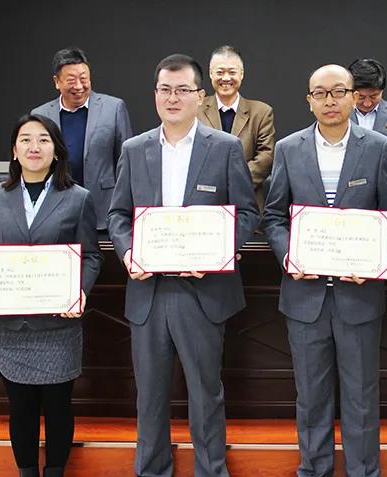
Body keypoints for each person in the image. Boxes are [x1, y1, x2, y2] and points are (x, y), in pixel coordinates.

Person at [106, 54, 259, 477]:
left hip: (203, 292)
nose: (172, 98)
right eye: (165, 90)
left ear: (200, 96)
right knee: (150, 395)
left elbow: (247, 213)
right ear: (155, 94)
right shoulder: (134, 149)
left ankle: (211, 470)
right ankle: (152, 469)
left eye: (182, 90)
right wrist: (128, 253)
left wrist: (218, 252)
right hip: (148, 291)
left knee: (206, 392)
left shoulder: (225, 147)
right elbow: (118, 215)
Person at [262, 64, 387, 477]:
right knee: (311, 396)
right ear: (309, 100)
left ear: (352, 97)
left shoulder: (379, 147)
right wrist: (290, 256)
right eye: (320, 93)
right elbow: (273, 217)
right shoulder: (288, 149)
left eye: (338, 92)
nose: (330, 100)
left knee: (362, 396)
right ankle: (314, 469)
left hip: (358, 296)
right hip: (304, 297)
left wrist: (376, 260)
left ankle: (364, 470)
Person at [0, 114, 103, 477]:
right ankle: (26, 472)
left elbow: (91, 255)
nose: (34, 147)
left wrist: (80, 291)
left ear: (56, 150)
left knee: (58, 406)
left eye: (43, 139)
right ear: (14, 150)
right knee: (20, 408)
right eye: (25, 139)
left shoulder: (78, 198)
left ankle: (55, 471)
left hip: (58, 326)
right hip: (11, 327)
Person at [32, 47, 133, 233]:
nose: (79, 86)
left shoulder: (113, 108)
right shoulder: (40, 115)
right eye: (71, 80)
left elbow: (126, 162)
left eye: (84, 79)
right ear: (57, 82)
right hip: (55, 210)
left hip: (103, 209)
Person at [197, 45, 275, 211]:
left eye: (232, 72)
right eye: (220, 72)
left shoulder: (261, 112)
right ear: (210, 73)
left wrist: (234, 182)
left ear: (241, 74)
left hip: (248, 203)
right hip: (203, 203)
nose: (226, 78)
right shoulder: (195, 110)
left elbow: (266, 157)